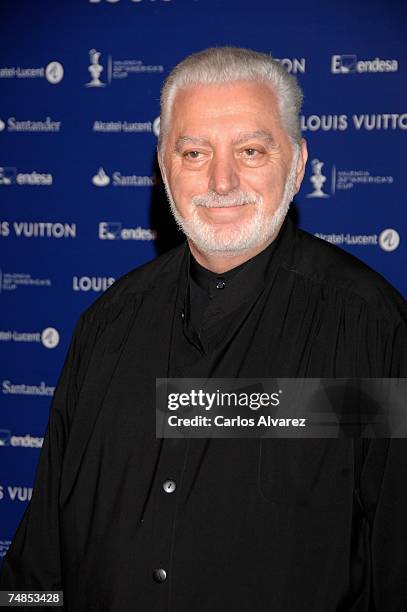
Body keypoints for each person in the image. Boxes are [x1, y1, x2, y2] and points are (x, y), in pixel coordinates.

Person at [1, 46, 406, 611]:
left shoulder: (370, 331)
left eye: (250, 150)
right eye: (194, 152)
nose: (221, 181)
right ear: (164, 166)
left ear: (297, 163)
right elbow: (36, 573)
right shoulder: (105, 327)